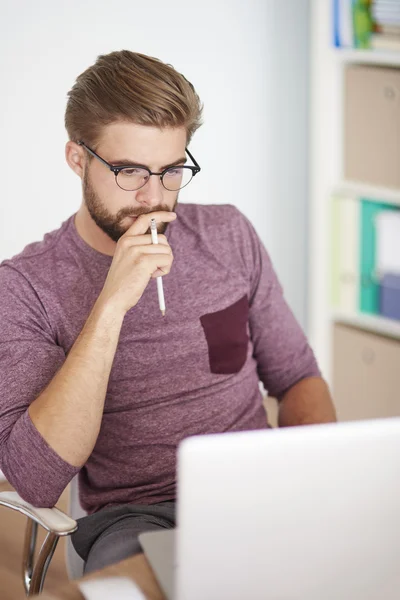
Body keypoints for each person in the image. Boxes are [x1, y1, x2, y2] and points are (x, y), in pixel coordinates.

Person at [0, 50, 336, 574]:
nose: (154, 197)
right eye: (130, 171)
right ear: (77, 159)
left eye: (173, 170)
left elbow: (296, 378)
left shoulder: (228, 234)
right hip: (137, 518)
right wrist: (111, 304)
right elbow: (37, 477)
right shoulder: (25, 285)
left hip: (261, 495)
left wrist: (321, 478)